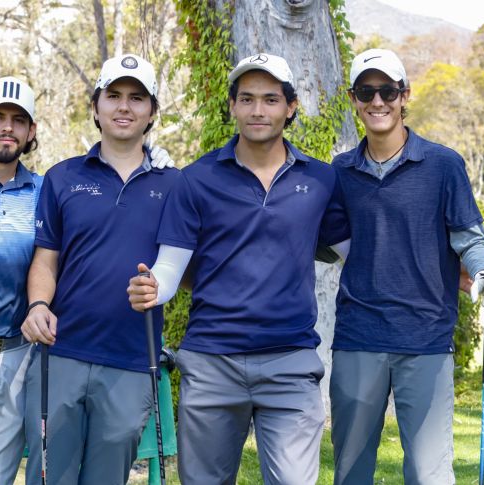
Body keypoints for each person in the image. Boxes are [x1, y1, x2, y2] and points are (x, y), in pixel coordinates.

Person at [0, 73, 176, 484]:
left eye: (18, 120)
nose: (8, 128)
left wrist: (152, 154)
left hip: (17, 358)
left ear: (31, 131)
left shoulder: (45, 188)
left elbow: (77, 231)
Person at [127, 53, 351, 485]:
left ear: (291, 107)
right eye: (246, 99)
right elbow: (170, 266)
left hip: (290, 361)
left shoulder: (320, 181)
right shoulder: (197, 179)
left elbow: (355, 254)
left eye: (270, 99)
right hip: (212, 361)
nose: (257, 110)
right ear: (232, 106)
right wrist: (153, 286)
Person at [327, 48, 484, 485]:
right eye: (366, 91)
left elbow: (470, 237)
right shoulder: (340, 171)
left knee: (429, 474)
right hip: (358, 339)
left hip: (425, 339)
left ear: (404, 95)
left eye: (387, 91)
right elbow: (327, 240)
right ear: (353, 99)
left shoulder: (443, 165)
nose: (377, 101)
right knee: (351, 474)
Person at [20, 53, 181, 485]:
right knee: (49, 477)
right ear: (95, 107)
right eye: (113, 96)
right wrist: (37, 305)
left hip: (132, 360)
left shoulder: (174, 184)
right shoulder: (62, 177)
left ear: (152, 112)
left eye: (137, 98)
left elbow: (179, 265)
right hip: (61, 353)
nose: (124, 106)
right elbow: (46, 259)